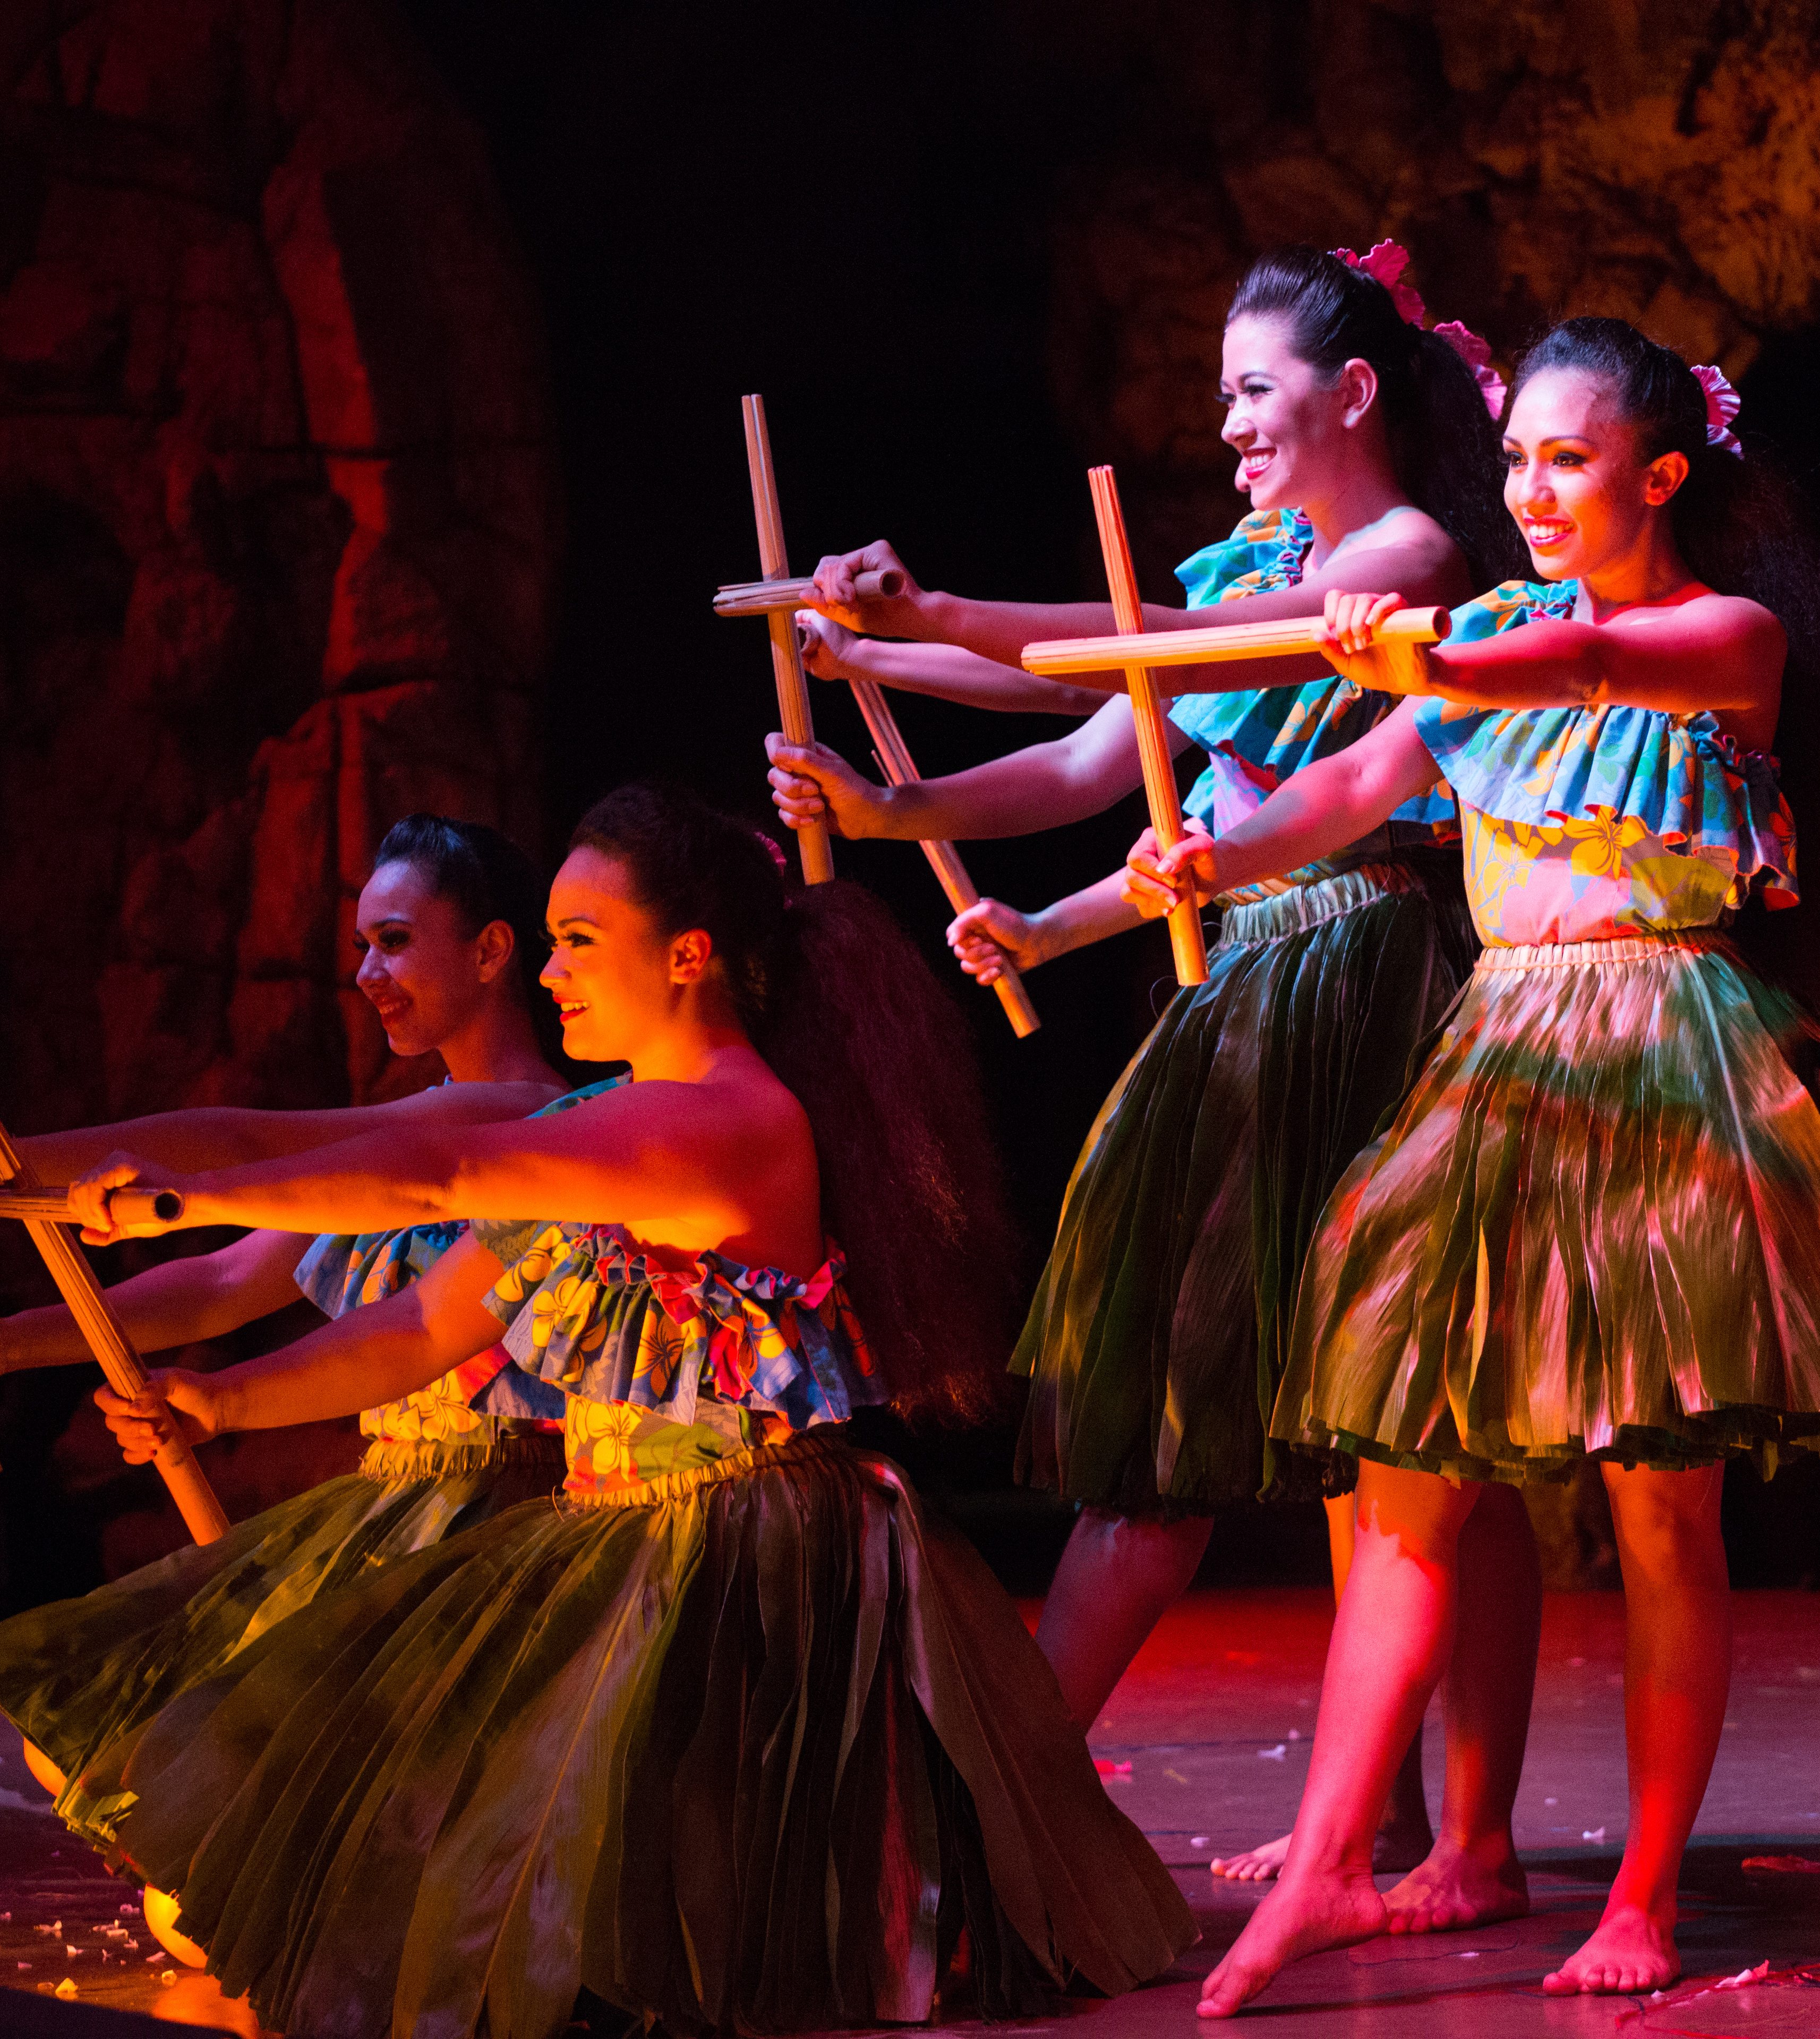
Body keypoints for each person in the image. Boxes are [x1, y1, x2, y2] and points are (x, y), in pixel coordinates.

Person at [1120, 318, 1820, 2006]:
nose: (1534, 493)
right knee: (1407, 1477)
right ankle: (1328, 1868)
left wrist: (1416, 655)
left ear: (1659, 472)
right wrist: (1200, 851)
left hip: (1669, 1071)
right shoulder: (1486, 631)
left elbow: (1561, 676)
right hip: (1504, 1065)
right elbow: (1344, 792)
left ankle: (1641, 1895)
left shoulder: (1725, 635)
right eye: (1521, 460)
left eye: (1569, 460)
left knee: (1657, 1516)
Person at [0, 785, 1191, 2039]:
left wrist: (182, 1195)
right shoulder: (596, 1127)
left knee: (620, 1933)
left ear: (689, 955)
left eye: (577, 942)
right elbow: (427, 1325)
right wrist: (220, 1399)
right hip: (625, 1529)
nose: (550, 975)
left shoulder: (724, 1118)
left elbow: (432, 1169)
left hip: (740, 1556)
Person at [768, 244, 1544, 1901]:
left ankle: (1427, 1832)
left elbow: (1149, 657)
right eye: (1222, 397)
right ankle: (1384, 1818)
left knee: (1408, 1429)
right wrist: (876, 713)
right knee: (1340, 1432)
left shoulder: (1405, 554)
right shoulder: (1247, 559)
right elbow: (1079, 743)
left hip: (1370, 973)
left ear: (1353, 392)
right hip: (1259, 982)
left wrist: (932, 624)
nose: (1235, 423)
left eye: (1255, 389)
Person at [0, 814, 588, 1961]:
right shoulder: (397, 1142)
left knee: (225, 1854)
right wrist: (12, 1338)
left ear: (497, 950)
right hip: (397, 1495)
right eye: (363, 946)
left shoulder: (526, 1122)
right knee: (100, 1736)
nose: (368, 975)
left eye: (396, 941)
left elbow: (244, 1142)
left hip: (497, 1517)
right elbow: (220, 1277)